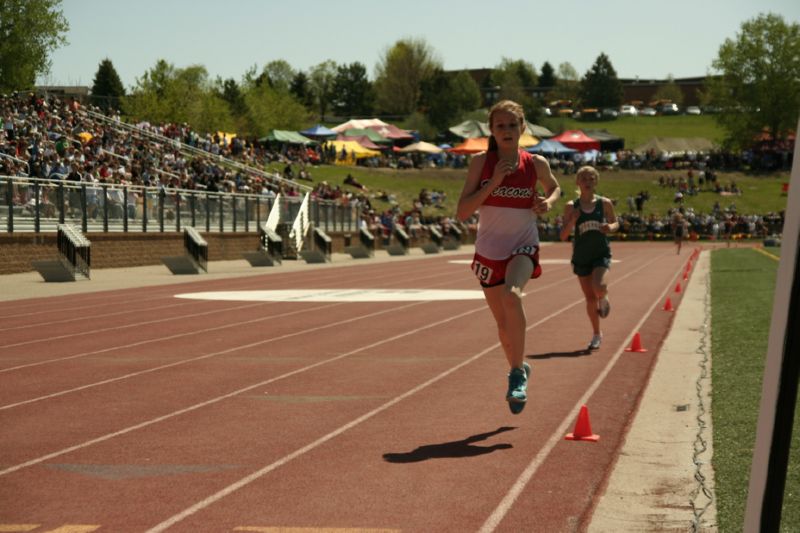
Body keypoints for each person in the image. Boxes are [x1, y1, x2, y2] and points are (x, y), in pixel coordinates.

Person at [456, 100, 561, 415]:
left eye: (512, 125)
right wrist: (494, 184)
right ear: (491, 130)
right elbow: (462, 212)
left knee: (512, 296)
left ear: (522, 129)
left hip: (523, 245)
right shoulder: (480, 163)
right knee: (503, 326)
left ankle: (515, 375)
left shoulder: (536, 163)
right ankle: (520, 366)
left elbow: (555, 188)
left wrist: (548, 203)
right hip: (489, 251)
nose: (506, 131)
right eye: (500, 126)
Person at [559, 165, 619, 351]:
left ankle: (604, 295)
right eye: (584, 178)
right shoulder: (571, 206)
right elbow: (563, 235)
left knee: (599, 286)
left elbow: (616, 223)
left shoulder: (605, 203)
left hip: (600, 253)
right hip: (581, 256)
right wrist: (572, 221)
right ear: (578, 182)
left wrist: (611, 228)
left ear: (596, 181)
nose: (588, 181)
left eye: (591, 178)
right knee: (590, 299)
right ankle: (596, 333)